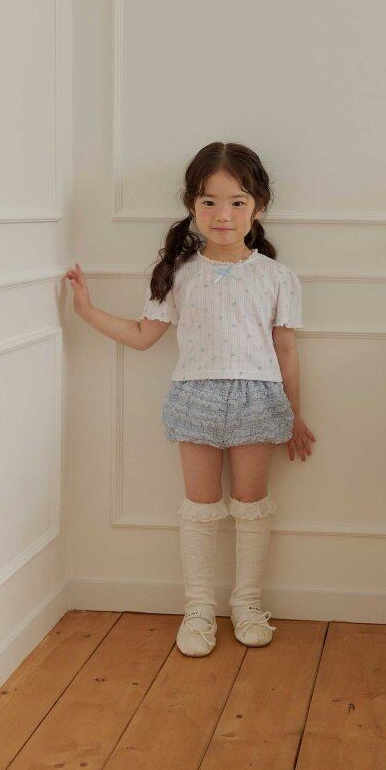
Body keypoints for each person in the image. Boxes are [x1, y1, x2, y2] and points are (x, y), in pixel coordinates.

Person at [65, 141, 316, 658]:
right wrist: (87, 310)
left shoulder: (276, 278)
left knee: (251, 508)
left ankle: (247, 604)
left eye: (237, 202)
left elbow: (286, 349)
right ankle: (198, 608)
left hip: (257, 399)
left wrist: (293, 414)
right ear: (192, 206)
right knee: (199, 509)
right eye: (209, 202)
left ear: (259, 206)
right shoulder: (178, 274)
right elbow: (143, 335)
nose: (223, 215)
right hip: (195, 396)